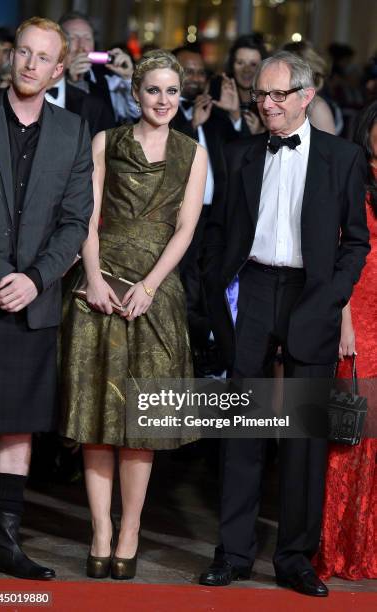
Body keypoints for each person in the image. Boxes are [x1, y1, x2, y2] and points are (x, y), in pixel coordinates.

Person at [199, 51, 369, 597]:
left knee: (304, 439)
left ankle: (295, 558)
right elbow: (219, 229)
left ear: (305, 97)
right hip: (250, 290)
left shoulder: (341, 158)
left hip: (309, 296)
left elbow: (356, 243)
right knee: (242, 430)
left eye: (277, 95)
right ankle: (234, 552)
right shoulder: (237, 152)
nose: (266, 104)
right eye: (260, 96)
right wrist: (212, 287)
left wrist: (331, 297)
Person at [61, 50, 207, 580]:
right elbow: (87, 217)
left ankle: (130, 532)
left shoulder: (193, 153)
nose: (164, 100)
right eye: (154, 90)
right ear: (136, 93)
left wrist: (148, 285)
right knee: (97, 419)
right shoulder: (106, 142)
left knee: (140, 426)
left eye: (173, 91)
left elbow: (186, 229)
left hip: (154, 292)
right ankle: (100, 529)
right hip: (99, 288)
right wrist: (95, 280)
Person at [0, 17, 93, 580]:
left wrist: (35, 279)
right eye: (23, 52)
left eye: (42, 57)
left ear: (58, 67)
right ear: (11, 56)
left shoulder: (73, 131)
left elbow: (76, 221)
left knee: (17, 424)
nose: (29, 64)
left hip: (33, 301)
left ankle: (2, 541)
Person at [314, 100, 377, 581]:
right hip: (359, 318)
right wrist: (343, 319)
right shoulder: (354, 174)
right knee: (350, 437)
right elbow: (339, 251)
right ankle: (336, 548)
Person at [171, 45, 240, 375]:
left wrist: (234, 113)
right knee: (184, 281)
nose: (196, 78)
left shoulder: (217, 116)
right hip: (181, 213)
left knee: (212, 278)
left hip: (217, 214)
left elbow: (242, 154)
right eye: (189, 71)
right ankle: (190, 343)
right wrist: (191, 125)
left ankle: (212, 344)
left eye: (200, 71)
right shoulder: (165, 111)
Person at [59, 11, 140, 126]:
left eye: (87, 38)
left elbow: (136, 113)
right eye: (73, 38)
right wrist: (73, 84)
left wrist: (129, 79)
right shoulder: (50, 79)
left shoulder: (108, 79)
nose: (82, 46)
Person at [210, 33, 267, 136]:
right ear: (232, 65)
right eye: (240, 63)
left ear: (263, 68)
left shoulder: (269, 99)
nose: (246, 70)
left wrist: (261, 133)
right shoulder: (218, 92)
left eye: (253, 64)